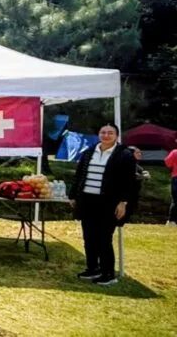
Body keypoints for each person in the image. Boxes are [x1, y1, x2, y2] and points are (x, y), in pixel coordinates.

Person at [69, 123, 137, 286]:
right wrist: (73, 195)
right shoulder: (88, 152)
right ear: (99, 134)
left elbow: (129, 182)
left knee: (104, 238)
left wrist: (123, 202)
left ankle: (108, 273)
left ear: (117, 136)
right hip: (87, 200)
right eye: (103, 132)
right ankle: (93, 268)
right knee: (89, 237)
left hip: (108, 203)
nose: (106, 135)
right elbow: (79, 175)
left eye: (110, 133)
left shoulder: (125, 155)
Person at [165, 147, 177, 226]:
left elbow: (168, 163)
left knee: (175, 200)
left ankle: (172, 221)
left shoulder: (175, 152)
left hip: (176, 177)